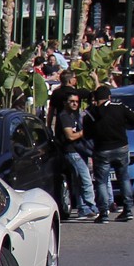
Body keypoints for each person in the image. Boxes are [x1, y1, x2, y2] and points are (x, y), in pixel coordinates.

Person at [87, 85, 134, 223]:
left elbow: (87, 134)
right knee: (123, 178)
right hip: (121, 146)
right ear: (109, 97)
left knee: (101, 182)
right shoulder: (119, 107)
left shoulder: (91, 113)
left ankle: (103, 212)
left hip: (102, 149)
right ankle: (128, 209)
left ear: (95, 99)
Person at [55, 91, 98, 220]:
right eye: (72, 101)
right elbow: (70, 136)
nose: (75, 104)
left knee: (79, 180)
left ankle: (83, 208)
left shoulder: (75, 115)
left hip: (81, 150)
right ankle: (92, 205)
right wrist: (85, 132)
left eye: (77, 102)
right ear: (65, 103)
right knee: (86, 179)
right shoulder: (64, 116)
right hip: (71, 151)